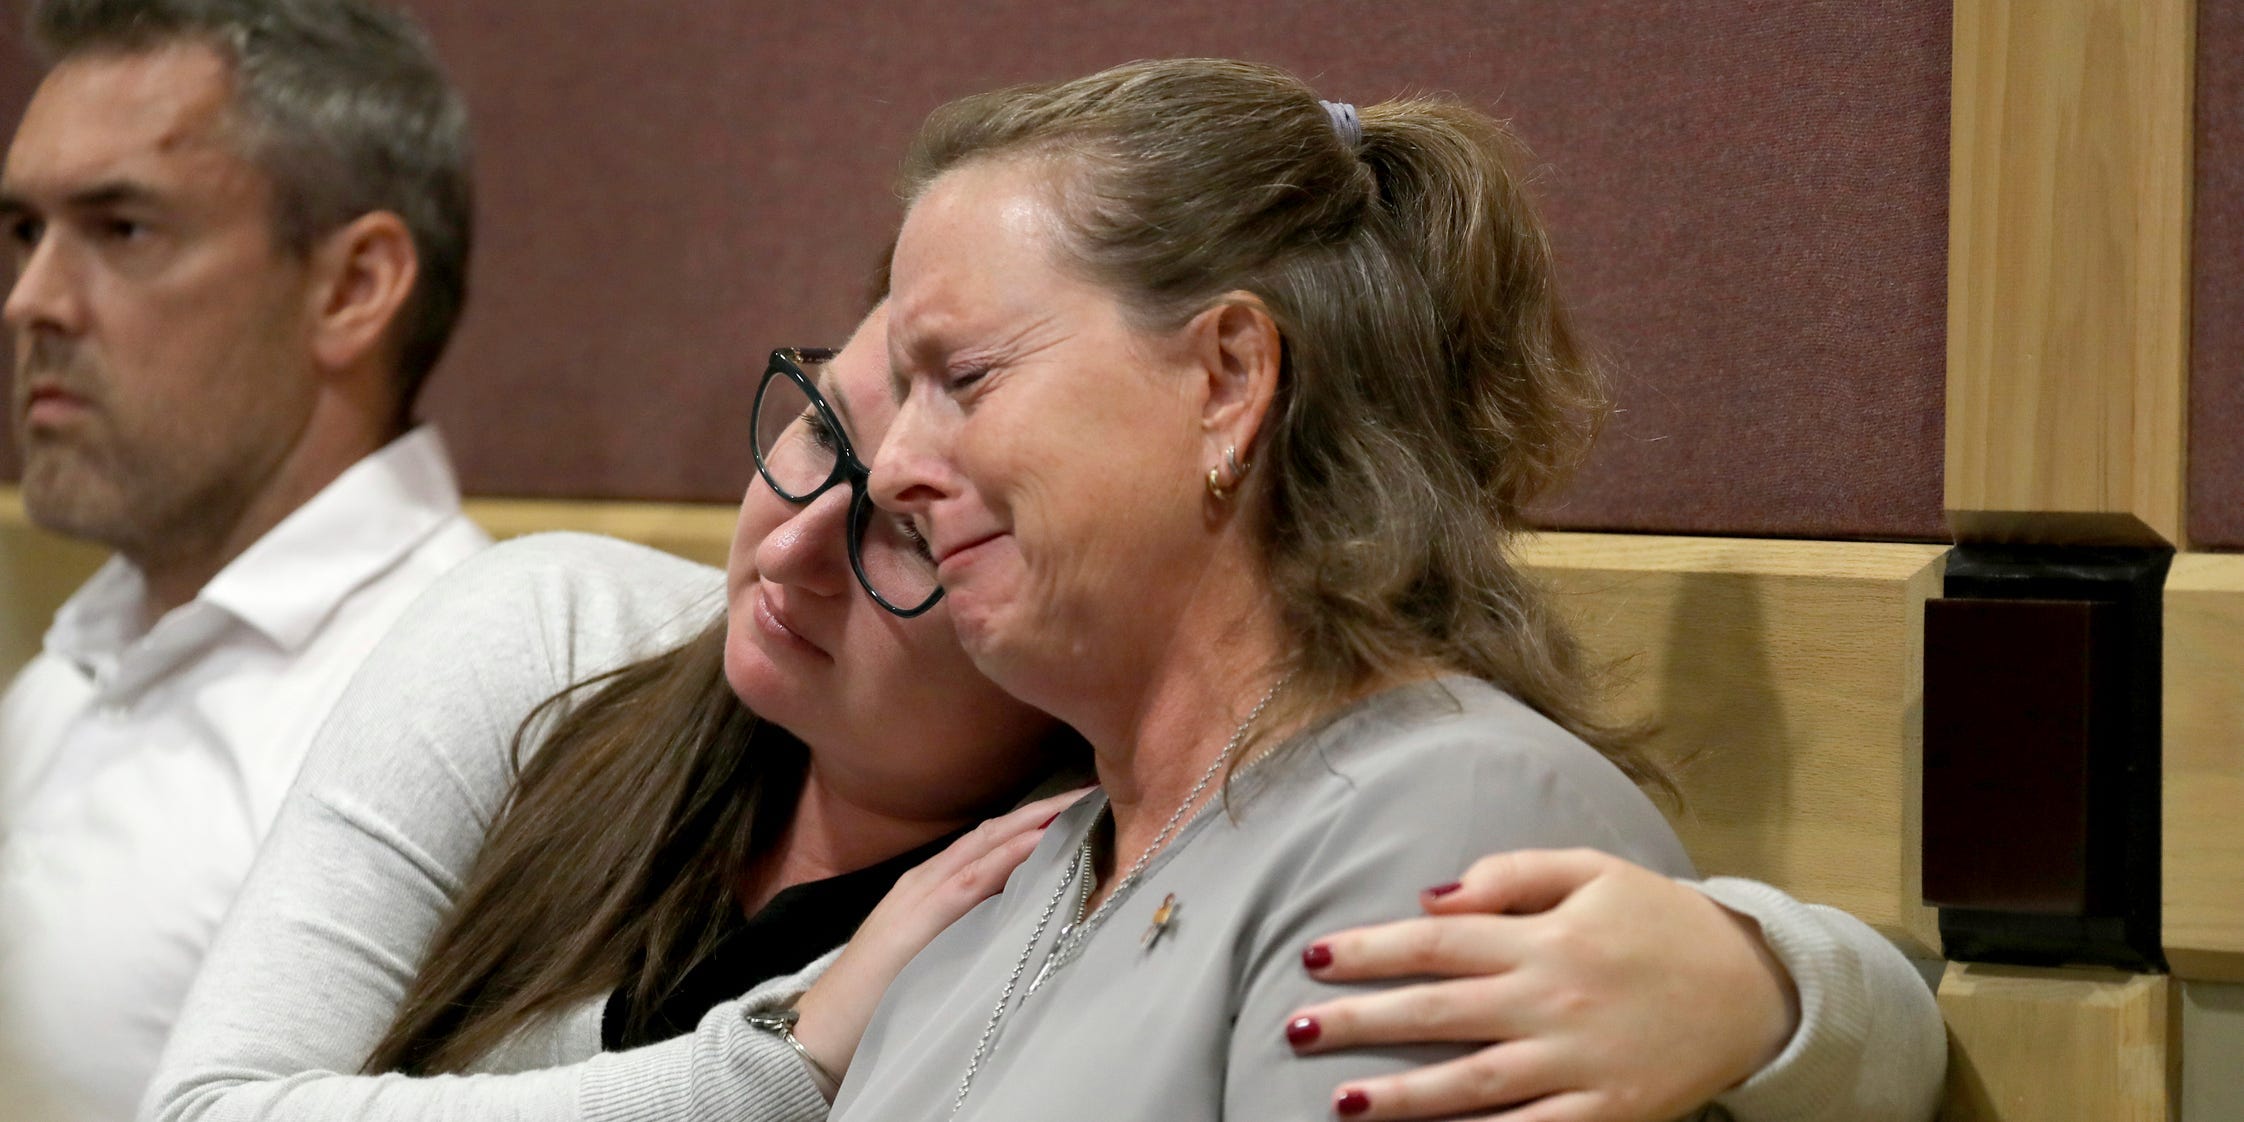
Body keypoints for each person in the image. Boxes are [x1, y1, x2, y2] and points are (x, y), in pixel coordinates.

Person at [151, 308, 1932, 1122]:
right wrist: (765, 1065)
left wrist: (1770, 979)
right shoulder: (555, 639)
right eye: (820, 428)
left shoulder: (1061, 891)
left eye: (917, 530)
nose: (792, 543)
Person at [823, 58, 1944, 1121]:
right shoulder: (1044, 859)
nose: (894, 472)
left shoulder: (1450, 820)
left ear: (1228, 380)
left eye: (964, 379)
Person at [0, 1, 486, 1116]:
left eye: (122, 229)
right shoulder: (76, 657)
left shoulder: (451, 711)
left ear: (353, 287)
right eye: (25, 232)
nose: (30, 301)